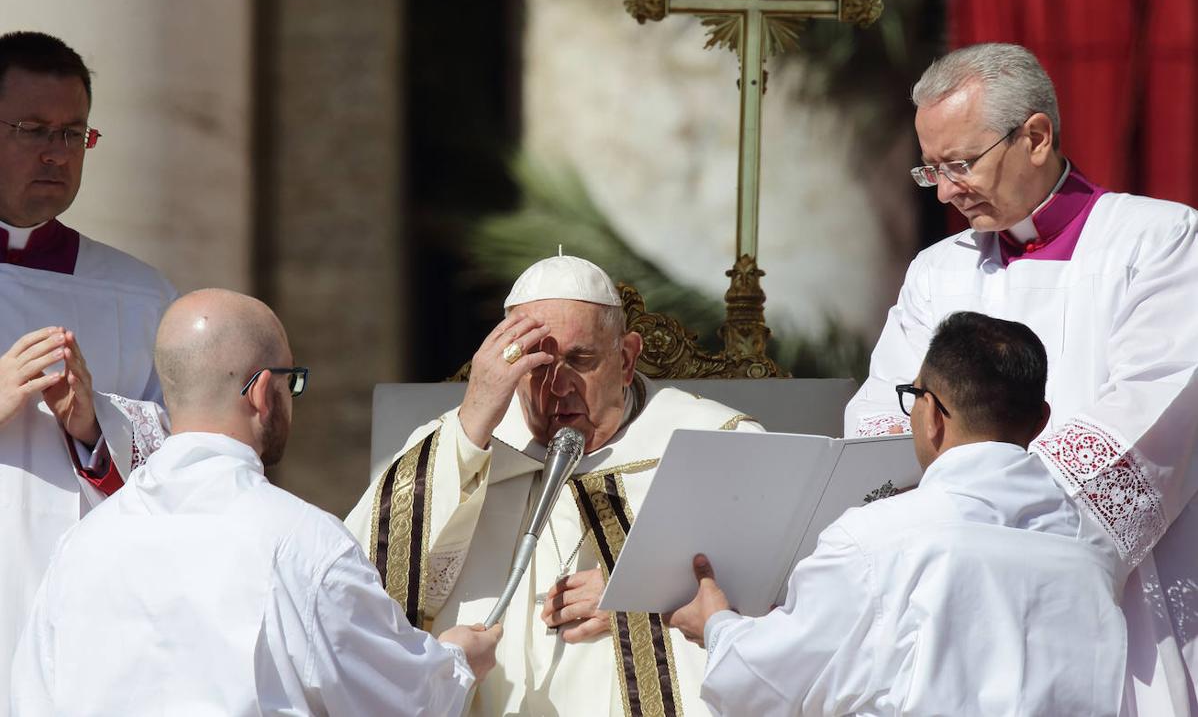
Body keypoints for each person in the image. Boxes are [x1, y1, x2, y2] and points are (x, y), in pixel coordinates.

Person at [843, 42, 1198, 715]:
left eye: (960, 164)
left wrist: (988, 537)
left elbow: (1149, 419)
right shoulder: (939, 270)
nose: (946, 190)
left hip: (1117, 610)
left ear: (1035, 137)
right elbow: (883, 420)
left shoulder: (1159, 242)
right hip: (953, 606)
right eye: (931, 170)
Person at [12, 289, 501, 716]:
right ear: (264, 390)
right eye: (293, 382)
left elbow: (29, 701)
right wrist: (457, 662)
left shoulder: (79, 546)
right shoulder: (303, 544)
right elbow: (399, 700)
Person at [344, 254, 764, 716]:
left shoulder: (714, 442)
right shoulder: (457, 446)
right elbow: (360, 580)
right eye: (537, 365)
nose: (559, 387)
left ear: (625, 359)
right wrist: (472, 423)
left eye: (580, 360)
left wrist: (650, 589)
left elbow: (784, 578)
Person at [668, 312, 1127, 716]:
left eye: (913, 397)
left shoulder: (876, 540)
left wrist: (717, 625)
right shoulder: (1094, 547)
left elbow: (768, 684)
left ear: (931, 415)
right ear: (1042, 420)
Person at [0, 31, 176, 712]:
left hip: (87, 632)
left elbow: (192, 465)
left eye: (74, 134)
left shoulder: (140, 295)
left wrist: (93, 424)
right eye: (33, 129)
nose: (55, 152)